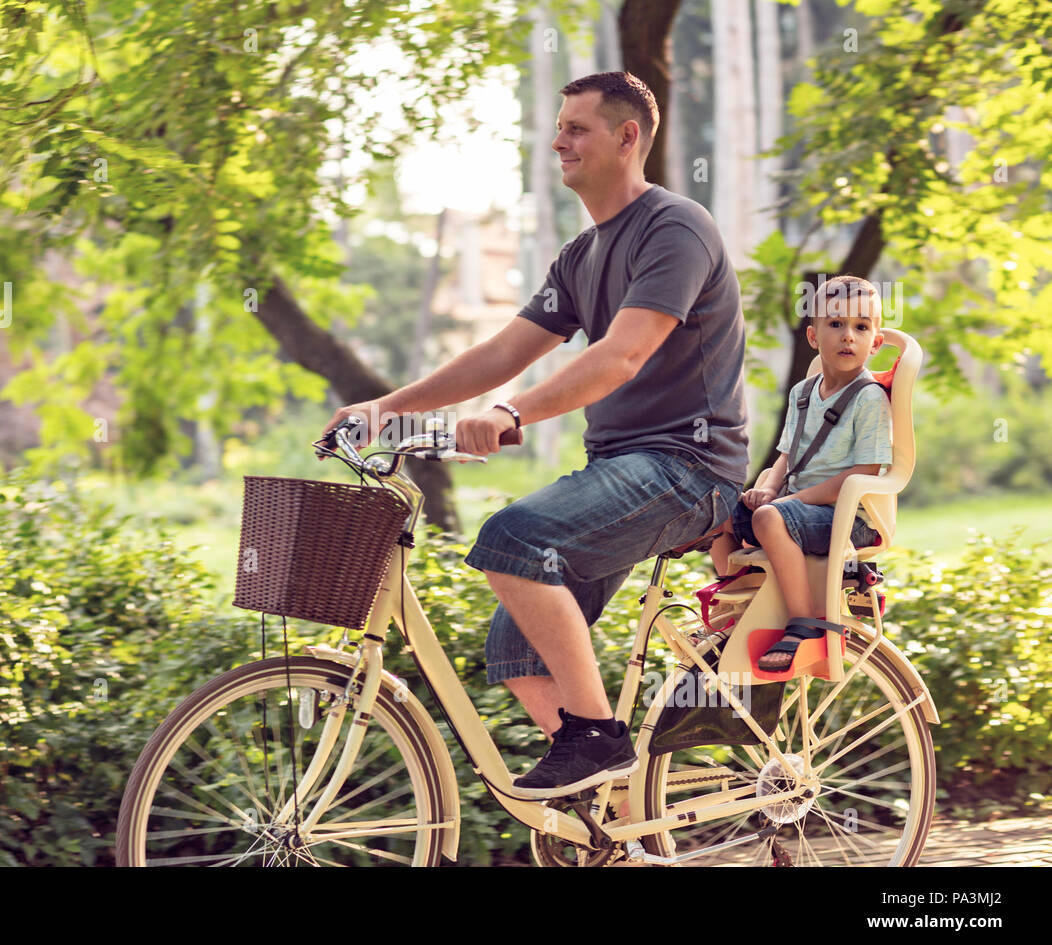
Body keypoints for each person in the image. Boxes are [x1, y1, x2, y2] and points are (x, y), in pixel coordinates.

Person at [322, 71, 748, 796]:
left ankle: (598, 740)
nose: (558, 141)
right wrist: (385, 407)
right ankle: (600, 810)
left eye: (576, 128)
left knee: (514, 539)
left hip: (688, 469)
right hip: (620, 470)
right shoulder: (581, 257)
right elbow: (501, 353)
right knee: (514, 648)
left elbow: (623, 354)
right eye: (559, 128)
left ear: (627, 136)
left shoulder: (674, 228)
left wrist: (512, 414)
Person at [706, 275, 892, 670]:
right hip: (793, 508)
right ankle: (736, 600)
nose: (848, 337)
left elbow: (864, 473)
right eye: (836, 324)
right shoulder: (802, 394)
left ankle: (804, 622)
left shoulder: (869, 397)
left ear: (875, 342)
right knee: (718, 507)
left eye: (861, 327)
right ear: (813, 336)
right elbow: (786, 459)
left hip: (847, 516)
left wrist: (787, 502)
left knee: (771, 518)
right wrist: (769, 489)